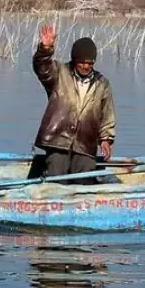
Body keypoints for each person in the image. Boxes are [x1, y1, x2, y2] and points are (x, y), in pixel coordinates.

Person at [31, 24, 116, 180]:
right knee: (55, 180)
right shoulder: (59, 73)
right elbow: (41, 67)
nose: (85, 66)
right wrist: (45, 49)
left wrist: (106, 140)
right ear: (75, 60)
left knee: (84, 181)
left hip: (85, 143)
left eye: (89, 63)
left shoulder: (102, 84)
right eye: (82, 62)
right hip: (57, 140)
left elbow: (106, 115)